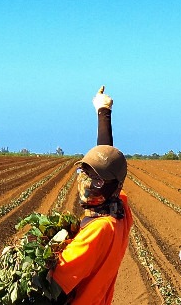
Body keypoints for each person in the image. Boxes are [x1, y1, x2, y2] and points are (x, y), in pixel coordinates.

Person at [50, 86, 133, 305]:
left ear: (114, 187)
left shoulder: (98, 230)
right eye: (84, 172)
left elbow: (52, 288)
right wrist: (103, 110)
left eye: (97, 180)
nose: (87, 184)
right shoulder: (120, 209)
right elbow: (106, 156)